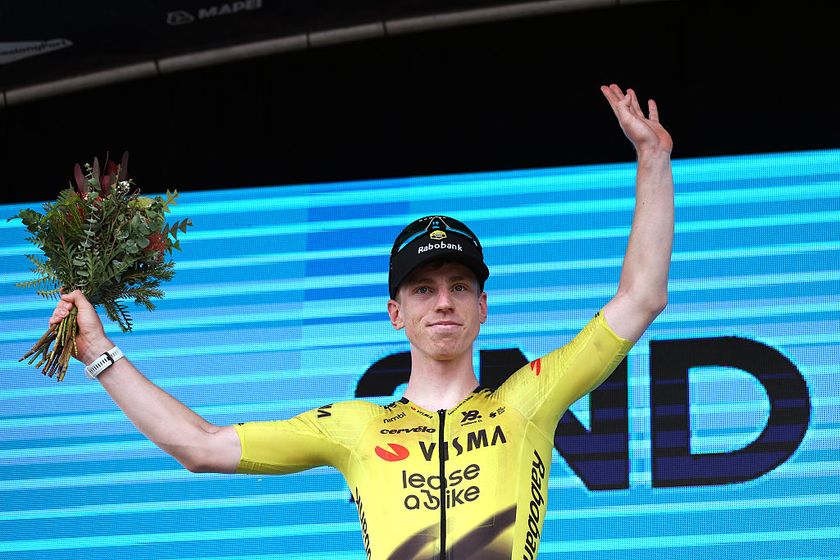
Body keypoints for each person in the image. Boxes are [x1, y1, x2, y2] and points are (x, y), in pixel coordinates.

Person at [48, 83, 673, 559]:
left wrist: (652, 158)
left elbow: (640, 297)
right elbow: (201, 447)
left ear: (483, 308)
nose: (444, 302)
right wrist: (100, 354)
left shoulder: (528, 401)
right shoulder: (356, 427)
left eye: (460, 287)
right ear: (396, 314)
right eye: (423, 289)